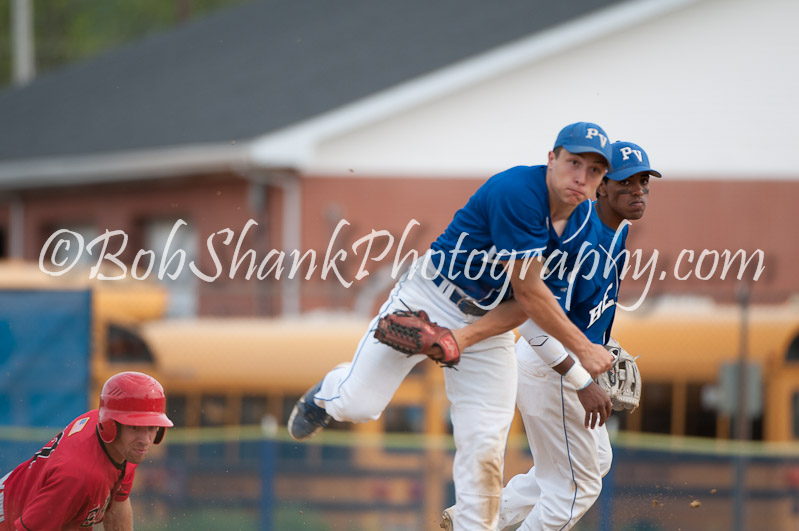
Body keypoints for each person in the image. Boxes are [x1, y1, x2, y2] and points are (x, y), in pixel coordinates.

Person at [288, 122, 616, 530]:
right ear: (551, 159)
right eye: (574, 162)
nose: (581, 177)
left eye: (595, 171)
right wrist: (583, 351)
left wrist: (460, 340)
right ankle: (328, 392)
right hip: (429, 299)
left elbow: (530, 306)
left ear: (602, 180)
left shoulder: (583, 222)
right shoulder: (518, 192)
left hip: (491, 326)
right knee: (359, 405)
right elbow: (530, 291)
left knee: (485, 449)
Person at [440, 141, 661, 530]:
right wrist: (580, 380)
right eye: (627, 182)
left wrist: (601, 345)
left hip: (564, 363)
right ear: (603, 187)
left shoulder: (617, 231)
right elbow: (526, 316)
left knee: (595, 462)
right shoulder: (578, 237)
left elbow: (583, 310)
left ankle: (481, 518)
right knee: (577, 488)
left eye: (644, 182)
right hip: (554, 368)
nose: (638, 191)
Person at [0, 371, 173, 531]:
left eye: (151, 427)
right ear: (110, 426)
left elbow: (117, 504)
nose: (145, 440)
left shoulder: (122, 448)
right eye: (135, 428)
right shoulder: (78, 476)